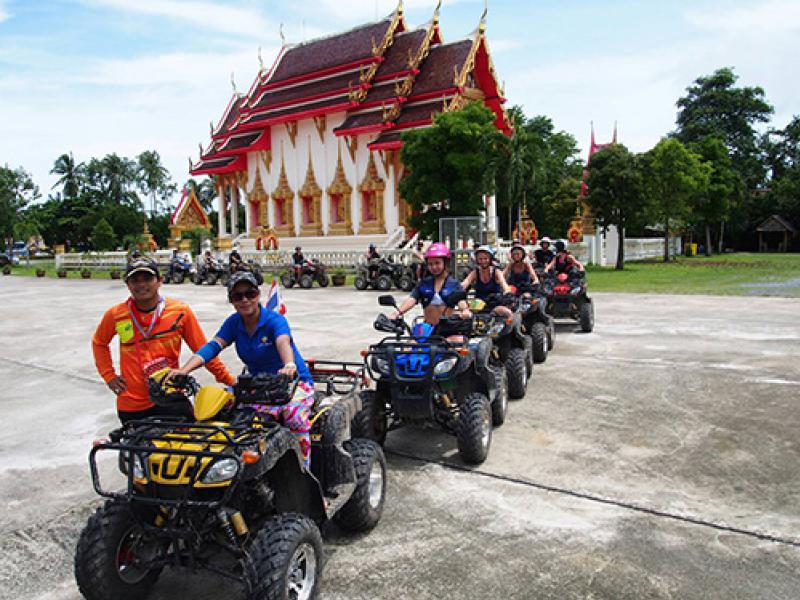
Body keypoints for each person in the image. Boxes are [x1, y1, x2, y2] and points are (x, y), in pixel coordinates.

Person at [169, 272, 315, 466]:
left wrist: (289, 365)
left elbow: (283, 342)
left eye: (250, 293)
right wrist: (184, 370)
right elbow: (213, 346)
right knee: (218, 407)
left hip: (291, 383)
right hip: (257, 383)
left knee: (294, 416)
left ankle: (304, 470)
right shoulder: (234, 322)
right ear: (231, 300)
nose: (245, 299)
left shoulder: (274, 320)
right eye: (238, 296)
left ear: (258, 294)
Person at [92, 258, 234, 424]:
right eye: (135, 280)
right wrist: (109, 376)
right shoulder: (116, 315)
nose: (141, 285)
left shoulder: (180, 312)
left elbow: (203, 351)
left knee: (185, 447)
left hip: (171, 396)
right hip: (132, 404)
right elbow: (99, 343)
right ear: (127, 284)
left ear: (160, 281)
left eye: (147, 278)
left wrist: (229, 381)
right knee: (137, 449)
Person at [389, 242, 470, 327]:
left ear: (445, 263)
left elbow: (461, 301)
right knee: (411, 340)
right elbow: (412, 299)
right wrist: (397, 313)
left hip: (447, 331)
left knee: (457, 340)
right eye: (430, 264)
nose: (434, 267)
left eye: (437, 263)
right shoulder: (424, 284)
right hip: (427, 330)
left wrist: (465, 311)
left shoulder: (454, 284)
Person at [461, 245, 513, 316]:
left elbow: (505, 285)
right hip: (479, 305)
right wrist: (456, 290)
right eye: (480, 259)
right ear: (476, 260)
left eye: (485, 258)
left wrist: (508, 293)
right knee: (465, 315)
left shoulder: (496, 272)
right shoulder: (475, 272)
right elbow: (465, 283)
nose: (483, 261)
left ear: (490, 259)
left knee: (507, 313)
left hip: (495, 304)